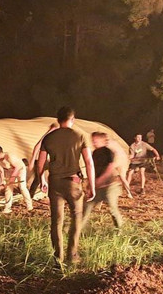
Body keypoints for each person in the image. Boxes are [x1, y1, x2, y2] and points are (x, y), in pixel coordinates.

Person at [38, 106, 95, 265]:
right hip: (73, 183)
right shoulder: (80, 136)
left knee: (56, 221)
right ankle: (72, 254)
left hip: (55, 183)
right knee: (76, 217)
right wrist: (92, 185)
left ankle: (58, 257)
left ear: (58, 119)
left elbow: (41, 162)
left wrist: (41, 179)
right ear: (72, 119)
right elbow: (89, 162)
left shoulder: (49, 138)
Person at [81, 132, 132, 230]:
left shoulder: (108, 152)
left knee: (113, 209)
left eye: (96, 140)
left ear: (103, 141)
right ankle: (79, 229)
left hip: (110, 186)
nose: (94, 142)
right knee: (86, 206)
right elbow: (93, 168)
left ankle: (119, 230)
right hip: (98, 187)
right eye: (93, 140)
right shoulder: (95, 153)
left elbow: (110, 167)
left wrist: (99, 180)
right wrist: (90, 184)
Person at [0, 146, 33, 213]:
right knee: (8, 188)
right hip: (9, 171)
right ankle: (7, 208)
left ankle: (29, 206)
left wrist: (12, 178)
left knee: (22, 187)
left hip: (20, 169)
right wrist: (2, 182)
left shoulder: (9, 156)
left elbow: (17, 166)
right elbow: (1, 171)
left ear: (0, 153)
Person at [28, 122, 59, 199]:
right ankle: (30, 196)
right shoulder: (47, 136)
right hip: (43, 160)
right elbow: (37, 147)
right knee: (38, 179)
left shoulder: (55, 137)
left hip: (50, 161)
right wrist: (32, 161)